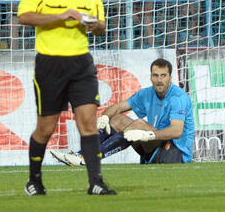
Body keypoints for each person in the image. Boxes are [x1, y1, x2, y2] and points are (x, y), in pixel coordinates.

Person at [17, 0, 116, 196]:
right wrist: (60, 16)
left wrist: (95, 25)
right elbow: (24, 16)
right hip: (50, 63)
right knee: (46, 128)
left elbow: (102, 27)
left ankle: (96, 182)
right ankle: (34, 181)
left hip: (81, 63)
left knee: (88, 122)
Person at [51, 58, 195, 166]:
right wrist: (105, 117)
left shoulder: (178, 98)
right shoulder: (147, 93)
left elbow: (177, 131)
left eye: (163, 75)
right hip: (152, 150)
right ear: (150, 76)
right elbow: (118, 107)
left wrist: (148, 134)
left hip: (174, 153)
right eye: (155, 75)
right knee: (117, 119)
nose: (159, 80)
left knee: (138, 123)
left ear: (170, 77)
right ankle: (80, 155)